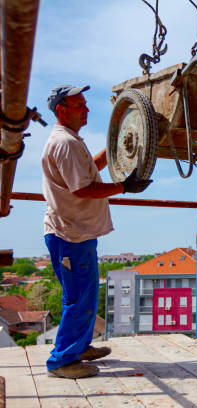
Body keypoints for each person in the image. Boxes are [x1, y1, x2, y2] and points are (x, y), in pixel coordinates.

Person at [41, 85, 152, 378]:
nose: (87, 110)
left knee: (83, 295)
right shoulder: (65, 144)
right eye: (80, 105)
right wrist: (124, 187)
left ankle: (79, 347)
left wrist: (120, 146)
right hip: (69, 236)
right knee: (79, 298)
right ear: (62, 110)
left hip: (75, 234)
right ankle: (62, 361)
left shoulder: (72, 142)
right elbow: (83, 188)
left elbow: (94, 166)